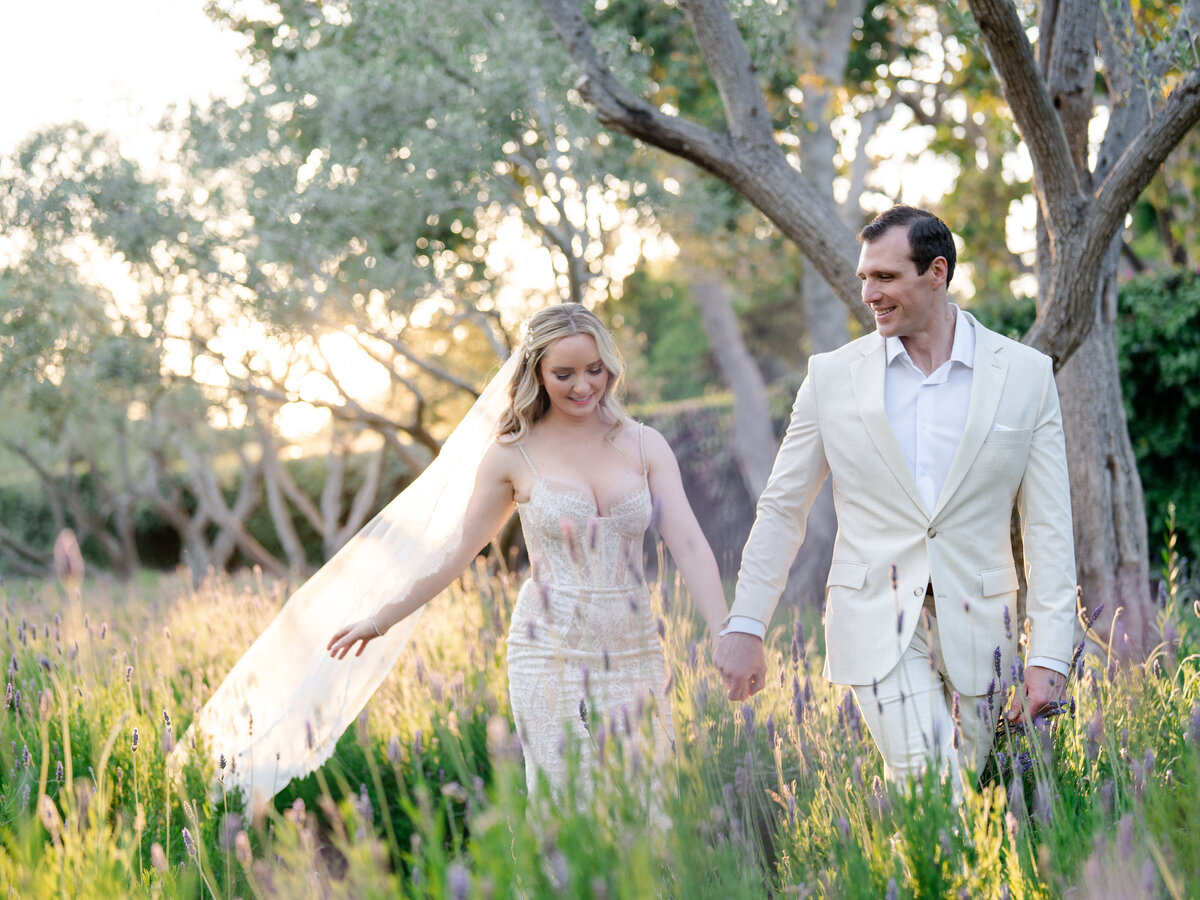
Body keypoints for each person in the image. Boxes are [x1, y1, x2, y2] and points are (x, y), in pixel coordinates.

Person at [714, 206, 1078, 790]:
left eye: (885, 278)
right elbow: (784, 507)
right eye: (864, 278)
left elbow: (1050, 526)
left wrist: (1052, 653)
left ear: (936, 272)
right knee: (932, 780)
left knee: (959, 800)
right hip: (876, 617)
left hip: (982, 623)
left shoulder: (1026, 376)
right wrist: (747, 622)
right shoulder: (832, 378)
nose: (869, 293)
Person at [320, 303, 728, 806]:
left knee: (648, 807)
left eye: (594, 370)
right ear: (535, 372)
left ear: (610, 368)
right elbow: (457, 551)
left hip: (633, 650)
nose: (583, 386)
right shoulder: (512, 453)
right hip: (547, 653)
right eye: (564, 374)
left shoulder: (646, 445)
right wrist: (380, 620)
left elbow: (686, 541)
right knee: (569, 810)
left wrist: (725, 633)